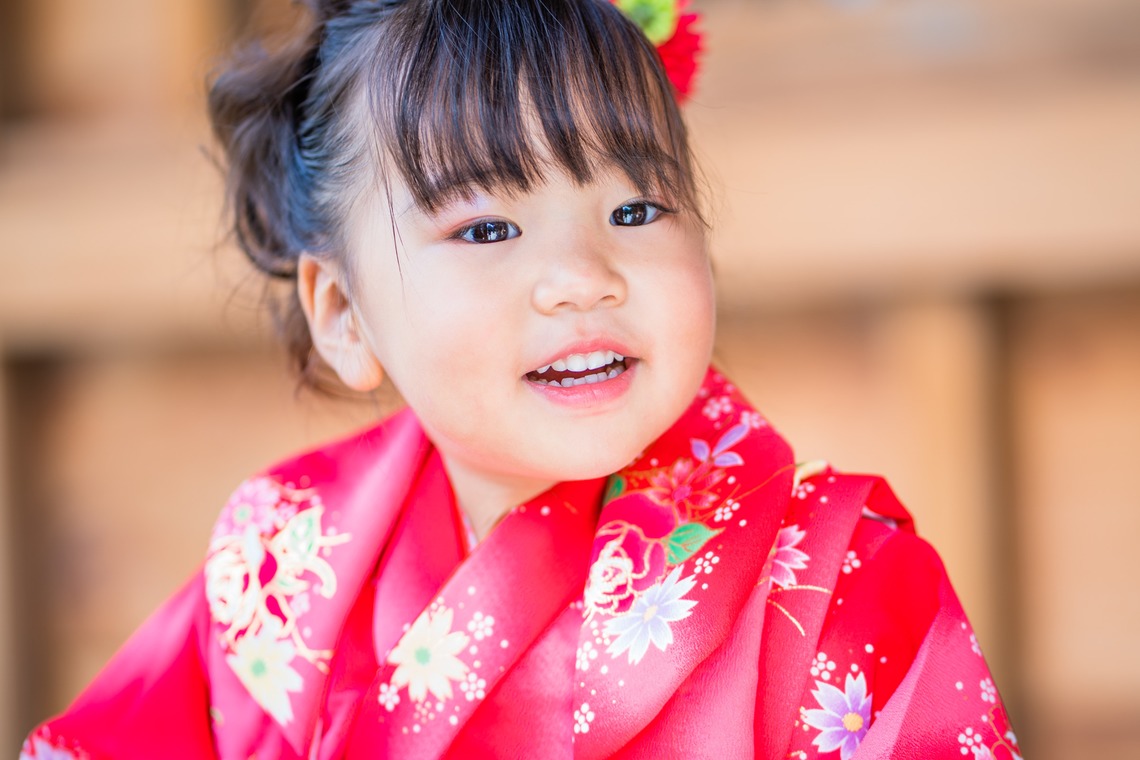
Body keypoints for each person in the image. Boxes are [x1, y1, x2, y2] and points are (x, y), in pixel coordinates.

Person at [21, 1, 1021, 758]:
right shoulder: (282, 572)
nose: (583, 277)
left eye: (636, 210)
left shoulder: (840, 579)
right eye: (488, 228)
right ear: (341, 312)